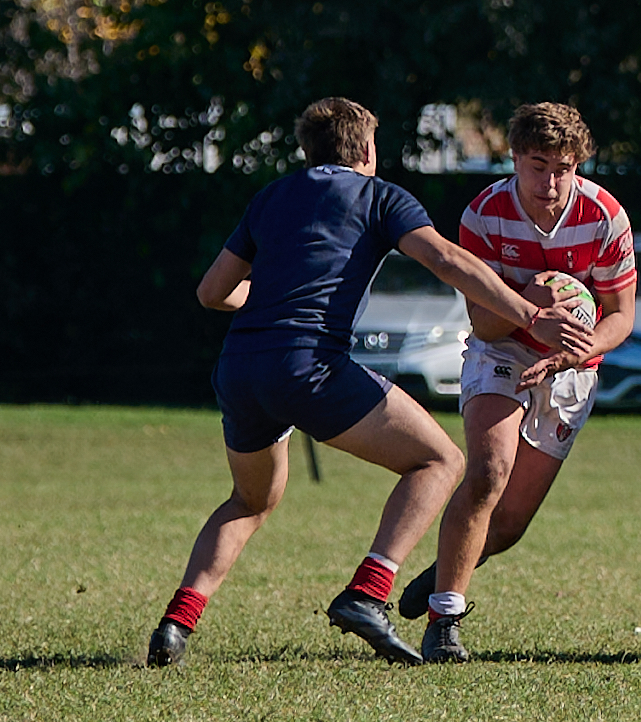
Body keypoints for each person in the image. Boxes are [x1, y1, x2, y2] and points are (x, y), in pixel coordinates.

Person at [145, 97, 591, 667]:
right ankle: (368, 593)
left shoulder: (273, 196)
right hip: (308, 365)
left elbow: (213, 293)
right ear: (365, 150)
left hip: (239, 366)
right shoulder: (379, 196)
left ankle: (175, 626)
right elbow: (451, 263)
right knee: (439, 463)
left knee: (250, 499)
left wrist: (272, 303)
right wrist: (530, 316)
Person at [394, 102, 637, 663]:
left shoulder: (605, 216)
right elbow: (482, 320)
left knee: (509, 523)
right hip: (500, 349)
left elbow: (621, 315)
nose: (551, 183)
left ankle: (440, 574)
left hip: (572, 367)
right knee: (487, 472)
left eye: (564, 168)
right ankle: (445, 620)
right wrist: (532, 307)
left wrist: (580, 347)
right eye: (537, 166)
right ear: (514, 159)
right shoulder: (483, 215)